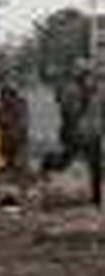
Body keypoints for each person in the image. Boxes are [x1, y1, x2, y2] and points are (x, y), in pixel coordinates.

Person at [52, 61, 103, 206]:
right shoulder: (71, 90)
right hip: (76, 134)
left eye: (90, 74)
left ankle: (96, 198)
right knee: (64, 162)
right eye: (86, 75)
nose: (89, 78)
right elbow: (65, 111)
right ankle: (48, 165)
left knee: (96, 167)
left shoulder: (97, 91)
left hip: (93, 133)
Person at [0, 82, 29, 173]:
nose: (5, 98)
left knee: (14, 137)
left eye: (7, 95)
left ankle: (14, 161)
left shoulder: (20, 106)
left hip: (15, 138)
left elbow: (22, 125)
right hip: (4, 138)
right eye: (3, 95)